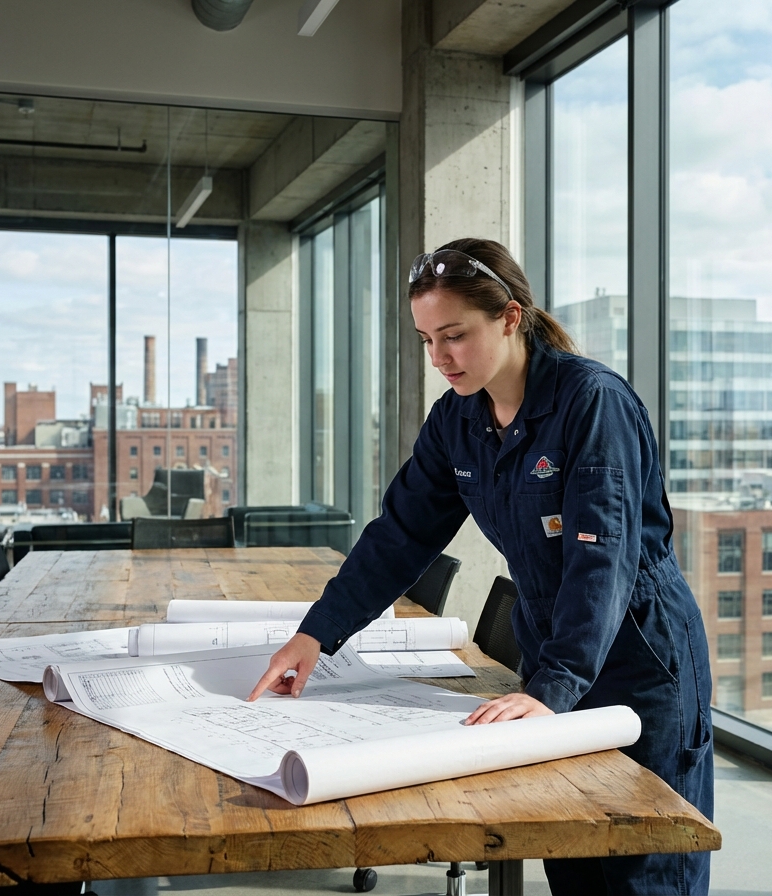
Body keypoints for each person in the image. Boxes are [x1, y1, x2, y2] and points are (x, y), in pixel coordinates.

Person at [248, 237, 713, 895]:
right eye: (426, 340)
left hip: (639, 654)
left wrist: (551, 689)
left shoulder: (591, 403)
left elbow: (601, 559)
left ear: (511, 317)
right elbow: (399, 537)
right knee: (569, 846)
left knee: (639, 863)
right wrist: (317, 633)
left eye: (455, 335)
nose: (440, 357)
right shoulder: (456, 422)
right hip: (554, 646)